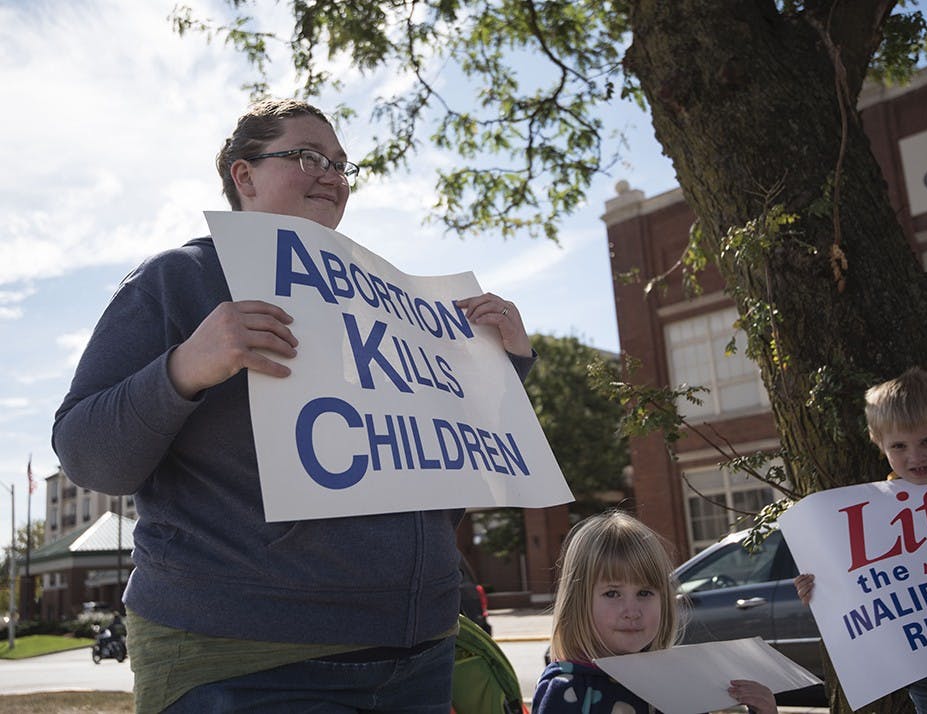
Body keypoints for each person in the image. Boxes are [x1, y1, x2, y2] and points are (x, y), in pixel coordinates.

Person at [52, 98, 535, 713]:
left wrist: (505, 369)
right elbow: (88, 457)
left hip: (418, 655)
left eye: (340, 164)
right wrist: (186, 367)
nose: (332, 175)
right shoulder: (178, 280)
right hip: (246, 661)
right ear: (243, 175)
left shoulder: (387, 300)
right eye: (308, 156)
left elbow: (445, 469)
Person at [793, 367, 927, 713]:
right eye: (899, 446)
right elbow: (859, 589)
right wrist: (820, 590)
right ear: (880, 445)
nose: (915, 457)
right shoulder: (866, 517)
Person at [533, 510, 779, 714]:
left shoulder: (678, 682)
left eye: (645, 593)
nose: (632, 611)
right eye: (612, 593)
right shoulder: (567, 689)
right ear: (578, 603)